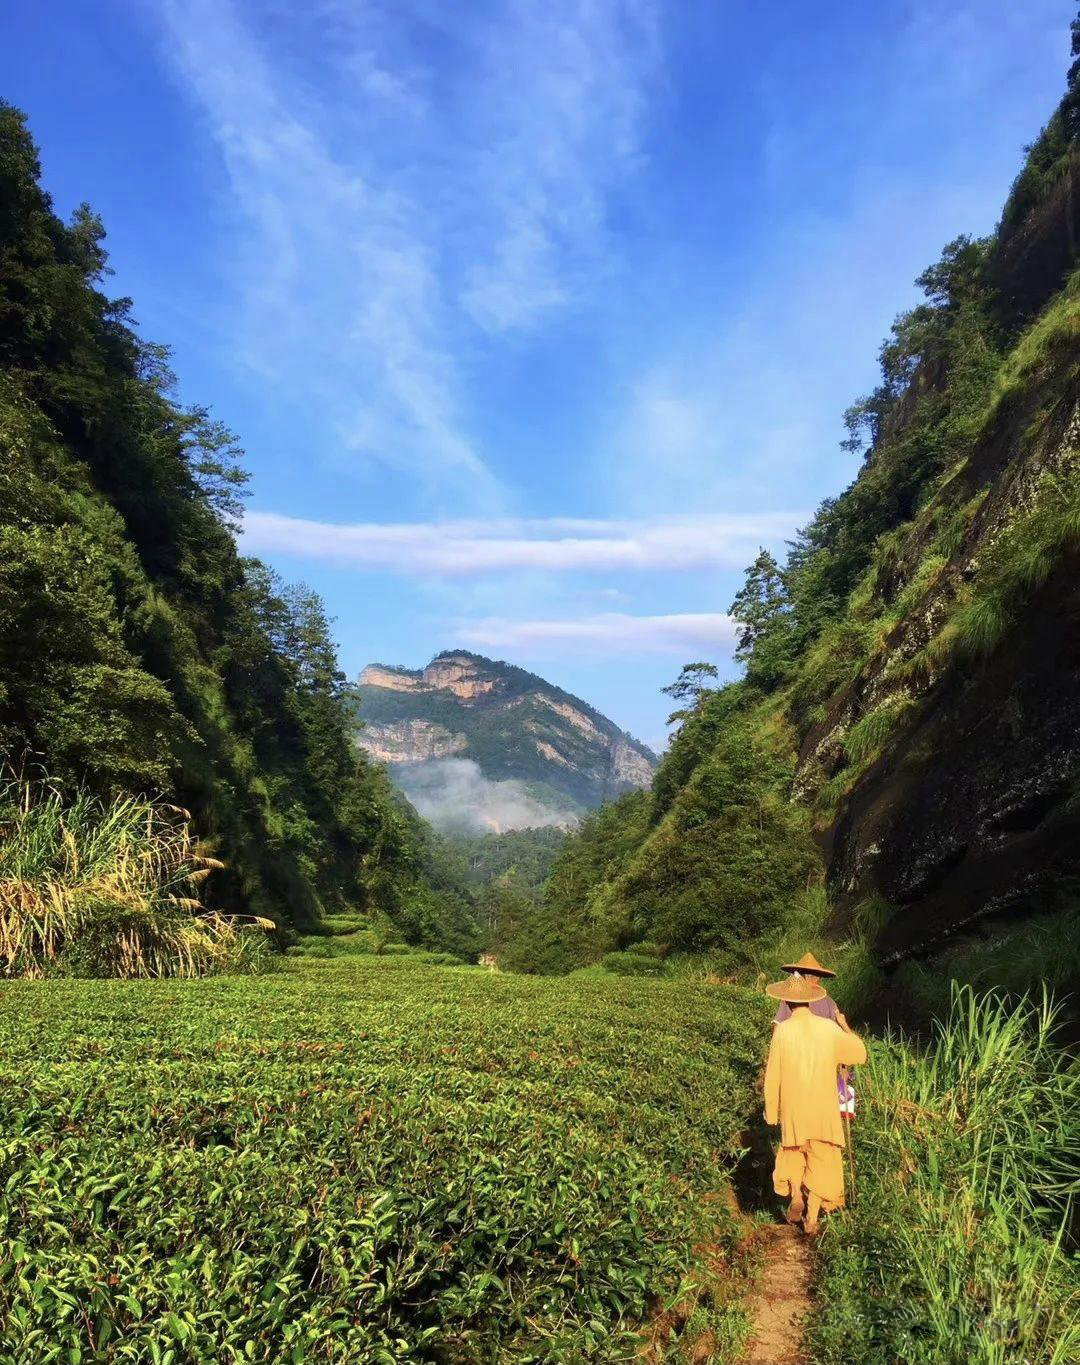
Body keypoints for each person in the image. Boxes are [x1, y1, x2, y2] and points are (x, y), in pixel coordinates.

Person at [763, 974, 867, 1234]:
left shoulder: (783, 1031)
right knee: (823, 1160)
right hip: (823, 1107)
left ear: (786, 1001)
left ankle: (796, 1193)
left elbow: (772, 1073)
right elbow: (859, 1054)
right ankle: (812, 1218)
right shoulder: (828, 1028)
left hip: (794, 1106)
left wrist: (771, 1110)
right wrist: (844, 1026)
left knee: (793, 1152)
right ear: (810, 1000)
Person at [772, 951, 851, 1031]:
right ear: (801, 978)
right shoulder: (790, 999)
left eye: (817, 976)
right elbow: (778, 1024)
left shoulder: (828, 1002)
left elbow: (838, 1025)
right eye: (811, 976)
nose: (816, 980)